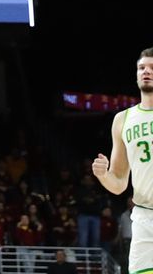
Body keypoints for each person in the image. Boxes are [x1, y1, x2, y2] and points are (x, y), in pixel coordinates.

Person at [93, 46, 153, 274]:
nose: (146, 71)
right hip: (144, 217)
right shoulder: (123, 119)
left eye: (152, 67)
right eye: (141, 68)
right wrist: (103, 175)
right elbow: (119, 183)